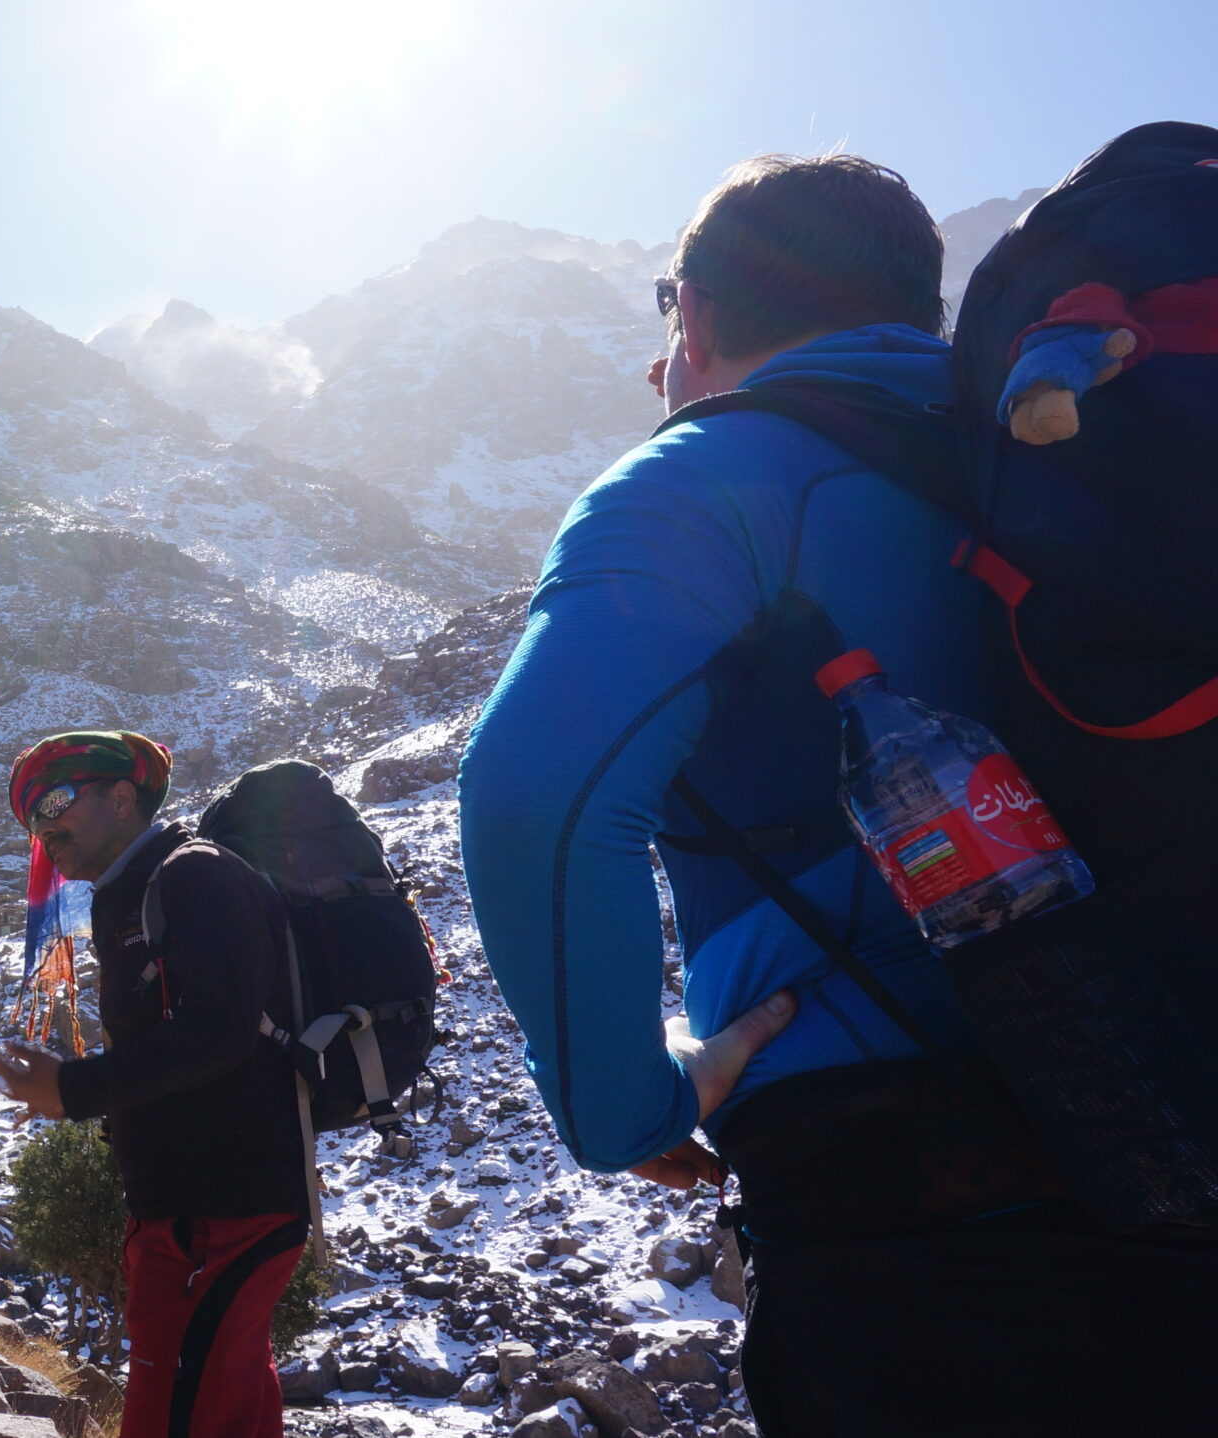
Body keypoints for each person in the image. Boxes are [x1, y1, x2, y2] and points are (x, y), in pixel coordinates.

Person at [458, 154, 1218, 1436]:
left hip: (912, 1198)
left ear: (690, 316)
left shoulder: (704, 480)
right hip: (1182, 1096)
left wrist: (619, 1108)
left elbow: (538, 795)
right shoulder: (1075, 459)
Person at [0, 731, 308, 1438]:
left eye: (55, 803)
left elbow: (221, 1029)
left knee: (175, 1416)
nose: (44, 831)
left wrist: (72, 1091)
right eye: (32, 823)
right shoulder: (124, 898)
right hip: (180, 1215)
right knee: (227, 1409)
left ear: (124, 796)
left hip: (227, 1213)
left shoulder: (194, 875)